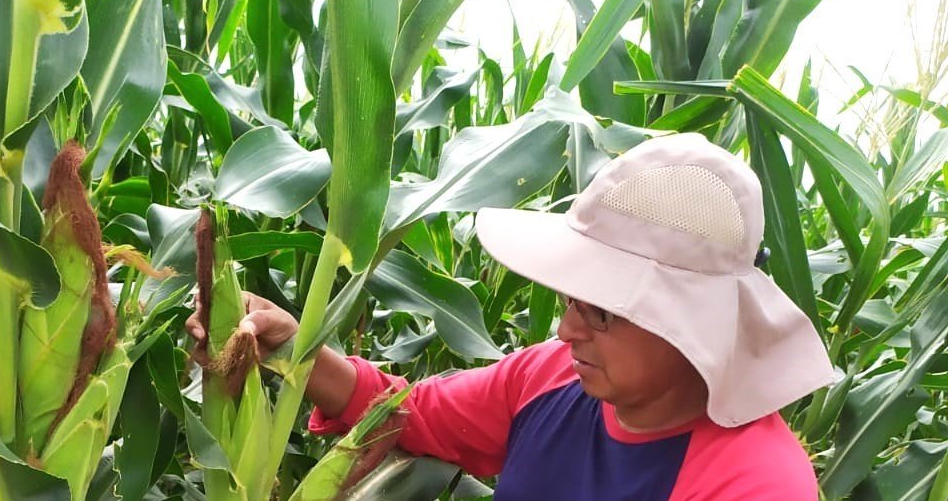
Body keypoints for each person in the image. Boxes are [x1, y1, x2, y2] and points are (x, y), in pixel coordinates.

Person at [187, 133, 836, 500]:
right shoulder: (551, 377)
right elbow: (410, 411)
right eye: (569, 299)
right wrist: (291, 344)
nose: (565, 329)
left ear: (691, 321)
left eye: (601, 311)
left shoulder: (757, 481)